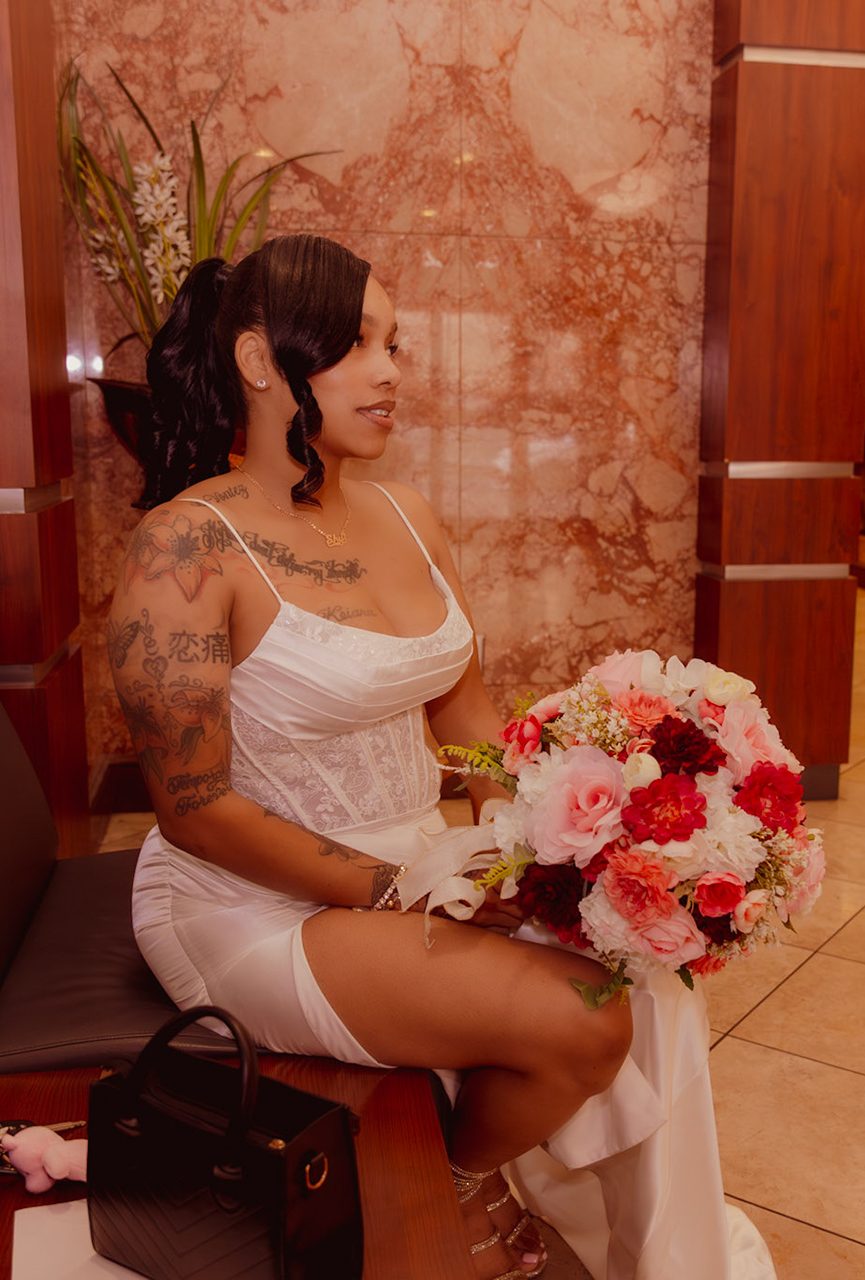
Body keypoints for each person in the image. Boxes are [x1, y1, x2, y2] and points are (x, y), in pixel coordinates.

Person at [114, 234, 773, 1280]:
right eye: (359, 345)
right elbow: (194, 810)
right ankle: (454, 1186)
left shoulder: (407, 516)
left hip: (417, 855)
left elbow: (465, 719)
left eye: (396, 345)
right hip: (251, 900)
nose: (390, 372)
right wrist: (402, 891)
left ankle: (497, 1183)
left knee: (644, 972)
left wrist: (555, 849)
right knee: (586, 1022)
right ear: (258, 362)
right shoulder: (184, 549)